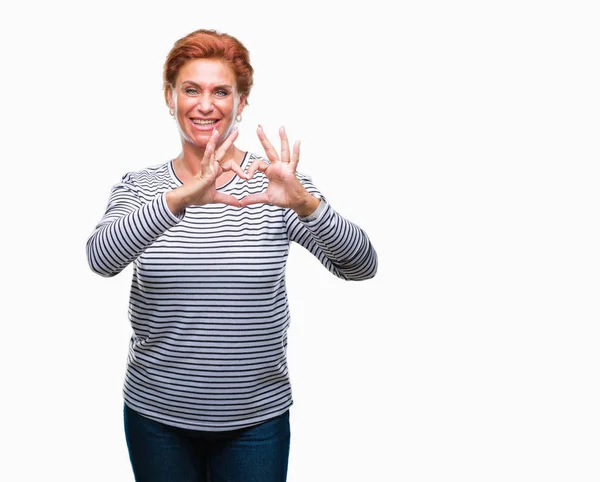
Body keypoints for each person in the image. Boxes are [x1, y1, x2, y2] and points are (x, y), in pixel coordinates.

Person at [86, 28, 377, 482]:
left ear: (241, 101)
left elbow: (361, 266)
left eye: (221, 91)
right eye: (191, 90)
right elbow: (101, 259)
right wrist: (180, 199)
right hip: (157, 417)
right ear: (169, 97)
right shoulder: (140, 187)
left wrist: (305, 204)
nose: (206, 104)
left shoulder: (275, 185)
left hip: (256, 421)